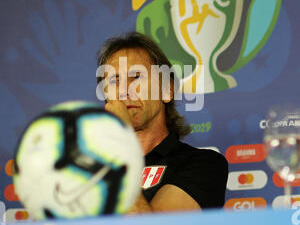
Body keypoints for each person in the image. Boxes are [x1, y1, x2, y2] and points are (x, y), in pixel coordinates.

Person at [96, 31, 228, 214]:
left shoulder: (203, 164)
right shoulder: (88, 169)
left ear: (167, 90)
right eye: (115, 80)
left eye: (136, 77)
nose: (125, 91)